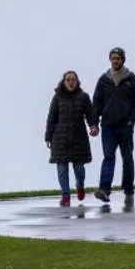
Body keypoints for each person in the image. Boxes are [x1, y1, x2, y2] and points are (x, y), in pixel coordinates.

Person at [91, 47, 135, 207]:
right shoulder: (103, 80)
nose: (115, 61)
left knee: (127, 158)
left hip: (125, 127)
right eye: (113, 58)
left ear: (123, 60)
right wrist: (94, 123)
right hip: (107, 126)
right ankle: (104, 190)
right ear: (110, 60)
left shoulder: (131, 79)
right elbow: (97, 103)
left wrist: (131, 120)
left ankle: (129, 192)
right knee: (108, 157)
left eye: (118, 58)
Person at [45, 70, 98, 206]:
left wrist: (93, 126)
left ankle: (80, 187)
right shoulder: (57, 97)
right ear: (64, 82)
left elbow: (91, 115)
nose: (71, 82)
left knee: (79, 169)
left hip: (78, 138)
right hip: (59, 139)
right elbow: (51, 118)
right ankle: (66, 195)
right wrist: (48, 136)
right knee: (62, 170)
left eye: (73, 79)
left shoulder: (84, 97)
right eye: (68, 80)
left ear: (77, 81)